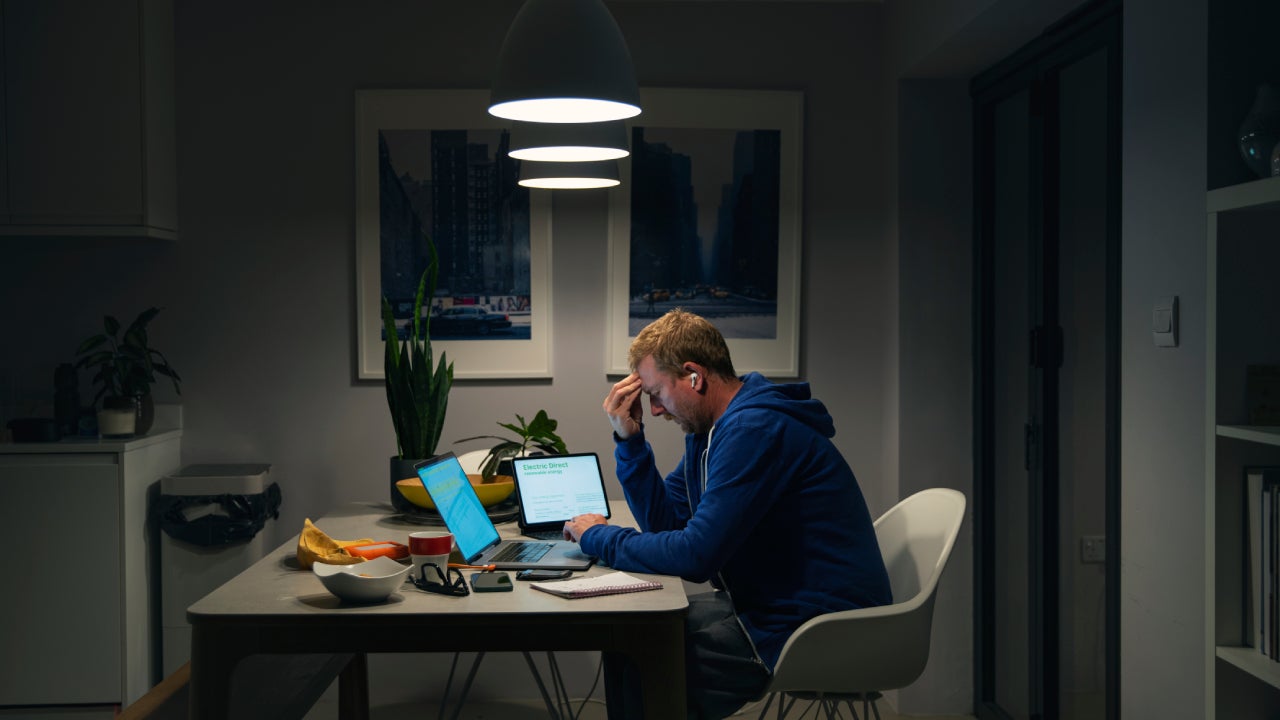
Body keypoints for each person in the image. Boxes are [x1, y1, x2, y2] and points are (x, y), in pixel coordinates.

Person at [563, 309, 892, 719]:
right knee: (627, 640)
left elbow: (694, 558)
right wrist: (629, 440)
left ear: (694, 376)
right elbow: (667, 526)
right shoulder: (709, 433)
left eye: (656, 393)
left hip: (819, 624)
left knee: (649, 666)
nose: (657, 410)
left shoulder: (753, 431)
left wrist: (599, 537)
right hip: (771, 603)